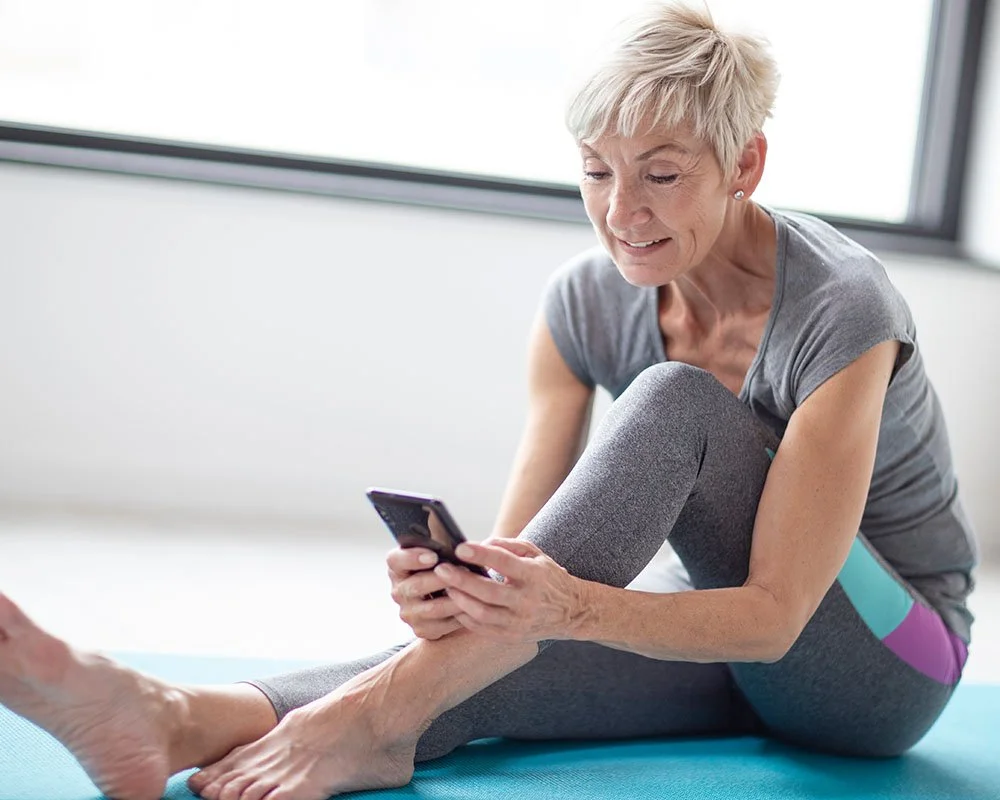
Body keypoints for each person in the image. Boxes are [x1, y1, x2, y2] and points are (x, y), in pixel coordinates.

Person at [0, 4, 979, 800]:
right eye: (596, 170)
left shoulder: (844, 309)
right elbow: (531, 548)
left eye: (664, 175)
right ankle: (168, 715)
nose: (621, 212)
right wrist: (460, 592)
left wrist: (565, 605)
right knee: (472, 670)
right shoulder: (583, 300)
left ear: (745, 166)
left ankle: (374, 718)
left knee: (674, 404)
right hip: (733, 647)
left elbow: (773, 617)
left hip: (884, 673)